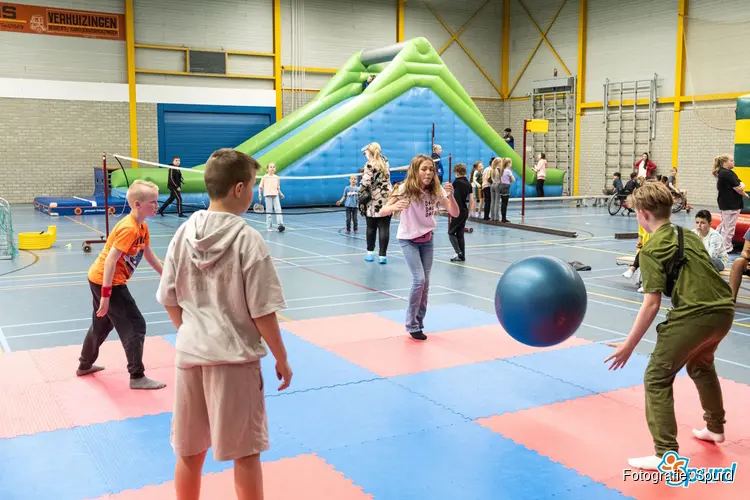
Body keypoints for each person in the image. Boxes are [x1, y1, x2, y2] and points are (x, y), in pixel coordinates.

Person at [156, 148, 293, 500]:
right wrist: (281, 357)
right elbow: (263, 311)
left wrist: (192, 332)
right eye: (252, 186)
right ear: (237, 190)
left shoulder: (183, 233)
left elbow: (169, 297)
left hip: (190, 356)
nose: (254, 192)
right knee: (245, 453)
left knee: (189, 450)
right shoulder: (248, 239)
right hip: (234, 361)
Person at [605, 182, 735, 471]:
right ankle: (715, 427)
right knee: (700, 366)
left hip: (695, 315)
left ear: (643, 213)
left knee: (656, 377)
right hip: (724, 310)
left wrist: (629, 345)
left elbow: (651, 304)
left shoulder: (651, 250)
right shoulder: (687, 234)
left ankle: (665, 453)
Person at [77, 179, 166, 390]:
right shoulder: (129, 229)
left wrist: (166, 275)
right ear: (137, 204)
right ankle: (137, 376)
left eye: (156, 201)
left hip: (98, 278)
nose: (156, 205)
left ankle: (84, 364)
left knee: (102, 324)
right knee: (136, 325)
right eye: (152, 202)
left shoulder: (142, 227)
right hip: (108, 282)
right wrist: (106, 297)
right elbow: (110, 260)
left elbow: (149, 254)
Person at [379, 154, 458, 340]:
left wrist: (451, 196)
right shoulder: (404, 188)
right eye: (424, 169)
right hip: (408, 240)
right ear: (415, 170)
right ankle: (411, 324)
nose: (428, 172)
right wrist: (396, 205)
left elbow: (454, 212)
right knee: (419, 280)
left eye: (431, 169)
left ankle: (419, 324)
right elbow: (383, 210)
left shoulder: (436, 189)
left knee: (426, 284)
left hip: (427, 240)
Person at [359, 142, 393, 264]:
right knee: (384, 227)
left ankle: (370, 253)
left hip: (373, 200)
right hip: (387, 198)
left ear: (369, 152)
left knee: (371, 227)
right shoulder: (385, 160)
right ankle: (383, 256)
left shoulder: (369, 164)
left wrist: (360, 195)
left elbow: (365, 183)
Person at [713, 154, 748, 253]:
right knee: (729, 228)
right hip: (730, 205)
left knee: (725, 225)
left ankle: (716, 242)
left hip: (728, 203)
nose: (734, 162)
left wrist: (742, 186)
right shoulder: (726, 173)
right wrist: (745, 195)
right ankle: (726, 248)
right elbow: (738, 187)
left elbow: (740, 183)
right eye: (731, 161)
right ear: (725, 162)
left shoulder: (725, 172)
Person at [448, 163, 472, 261]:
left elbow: (453, 197)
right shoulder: (468, 183)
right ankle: (462, 256)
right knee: (460, 234)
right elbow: (472, 200)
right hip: (464, 211)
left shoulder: (456, 182)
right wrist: (469, 212)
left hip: (457, 211)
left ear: (456, 172)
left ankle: (459, 252)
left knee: (451, 233)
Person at [258, 163, 285, 232]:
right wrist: (260, 195)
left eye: (273, 167)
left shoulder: (277, 177)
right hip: (267, 196)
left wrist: (281, 194)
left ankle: (280, 225)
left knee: (278, 210)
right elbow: (260, 187)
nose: (272, 168)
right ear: (267, 169)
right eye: (271, 167)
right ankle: (269, 227)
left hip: (275, 196)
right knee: (269, 212)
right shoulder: (264, 177)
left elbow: (278, 188)